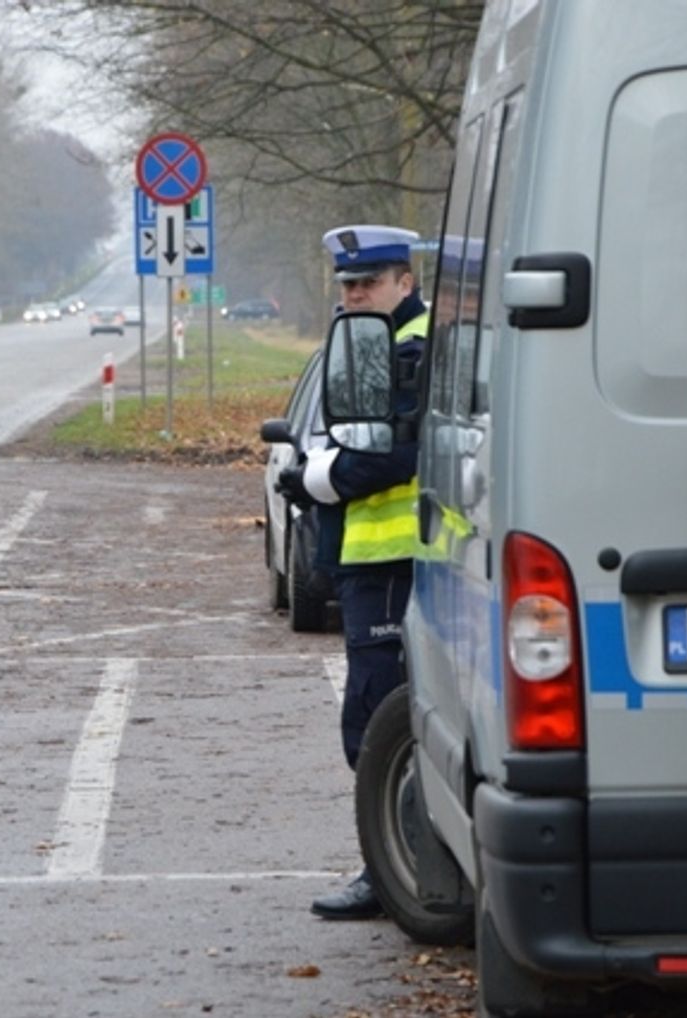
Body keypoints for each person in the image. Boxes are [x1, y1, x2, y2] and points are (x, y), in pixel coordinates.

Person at [276, 225, 428, 920]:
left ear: (405, 282)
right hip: (373, 560)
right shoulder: (373, 342)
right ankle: (400, 863)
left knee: (380, 722)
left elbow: (396, 453)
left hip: (397, 561)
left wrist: (316, 478)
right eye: (347, 285)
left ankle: (395, 871)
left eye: (369, 283)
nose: (355, 295)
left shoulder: (413, 348)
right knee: (381, 719)